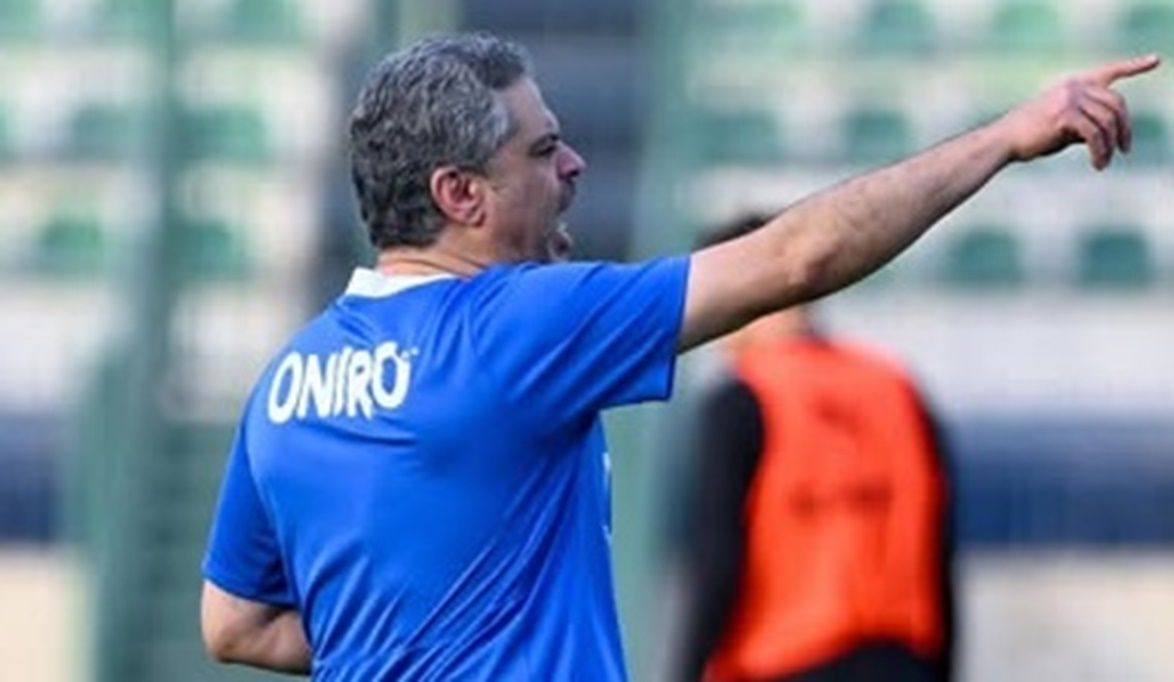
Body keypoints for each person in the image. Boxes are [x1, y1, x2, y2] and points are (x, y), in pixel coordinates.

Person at [198, 31, 1158, 681]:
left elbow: (234, 624)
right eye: (542, 150)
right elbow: (798, 258)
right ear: (461, 195)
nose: (573, 166)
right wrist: (1002, 139)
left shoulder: (287, 382)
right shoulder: (517, 326)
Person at [677, 215, 954, 682]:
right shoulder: (897, 388)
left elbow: (719, 563)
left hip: (782, 658)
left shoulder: (742, 399)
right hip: (903, 659)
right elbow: (938, 550)